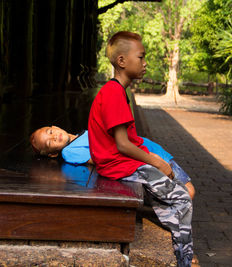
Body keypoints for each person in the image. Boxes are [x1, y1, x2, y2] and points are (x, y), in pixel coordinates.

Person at [87, 31, 196, 267]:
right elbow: (123, 144)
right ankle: (183, 261)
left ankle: (178, 249)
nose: (145, 63)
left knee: (179, 194)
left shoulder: (116, 90)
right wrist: (155, 161)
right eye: (141, 57)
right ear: (122, 61)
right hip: (120, 166)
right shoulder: (114, 92)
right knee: (183, 199)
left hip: (123, 164)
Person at [30, 126, 195, 199]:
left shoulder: (83, 134)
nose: (54, 137)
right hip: (146, 155)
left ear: (56, 127)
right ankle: (179, 241)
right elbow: (105, 156)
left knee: (185, 192)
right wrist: (152, 160)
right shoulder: (69, 152)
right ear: (53, 154)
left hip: (147, 148)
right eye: (49, 143)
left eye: (50, 132)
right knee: (187, 192)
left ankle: (180, 239)